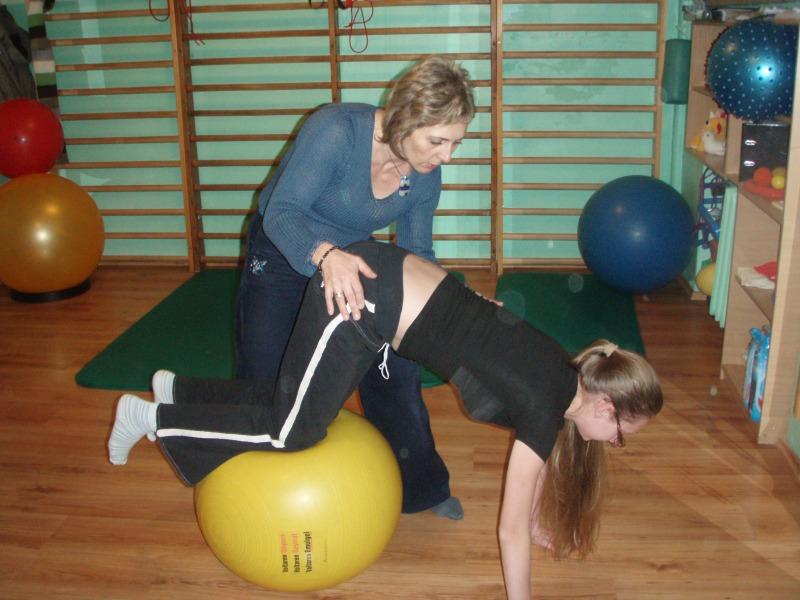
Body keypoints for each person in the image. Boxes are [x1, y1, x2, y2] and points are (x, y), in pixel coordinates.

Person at [108, 240, 663, 599]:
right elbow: (508, 530)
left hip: (391, 279)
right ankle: (152, 418)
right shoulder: (546, 408)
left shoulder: (564, 375)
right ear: (605, 406)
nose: (612, 443)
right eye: (621, 436)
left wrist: (540, 519)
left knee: (299, 398)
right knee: (292, 429)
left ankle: (179, 390)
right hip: (363, 298)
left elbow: (538, 464)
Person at [234, 55, 475, 519]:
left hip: (351, 259)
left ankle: (420, 486)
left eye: (455, 143)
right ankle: (247, 483)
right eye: (437, 141)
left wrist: (454, 303)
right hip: (284, 249)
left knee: (394, 362)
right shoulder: (337, 130)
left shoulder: (425, 175)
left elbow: (418, 251)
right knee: (264, 375)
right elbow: (282, 213)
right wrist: (324, 256)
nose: (447, 156)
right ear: (405, 118)